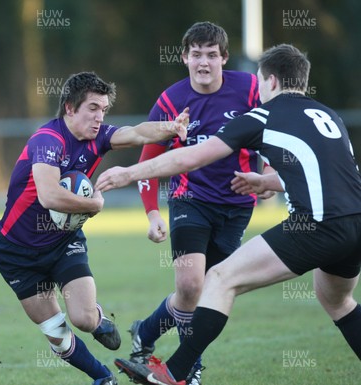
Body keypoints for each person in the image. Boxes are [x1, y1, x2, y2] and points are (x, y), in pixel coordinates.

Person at [96, 43, 361, 384]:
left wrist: (129, 173)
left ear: (272, 82)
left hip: (316, 226)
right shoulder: (328, 116)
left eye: (261, 83)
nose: (259, 90)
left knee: (220, 279)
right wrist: (267, 180)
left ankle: (173, 374)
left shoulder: (263, 116)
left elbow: (190, 157)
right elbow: (328, 175)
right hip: (354, 223)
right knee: (338, 303)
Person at [0, 71, 189, 385]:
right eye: (93, 108)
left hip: (63, 242)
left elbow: (136, 132)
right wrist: (94, 205)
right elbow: (48, 195)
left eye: (103, 110)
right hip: (16, 253)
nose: (99, 117)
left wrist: (171, 128)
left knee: (82, 319)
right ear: (70, 107)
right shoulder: (48, 140)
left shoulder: (98, 137)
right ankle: (102, 377)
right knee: (57, 334)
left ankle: (97, 320)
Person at [121, 21, 272, 385]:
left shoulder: (250, 89)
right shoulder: (171, 101)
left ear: (223, 58)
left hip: (237, 205)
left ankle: (145, 331)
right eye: (196, 55)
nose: (203, 62)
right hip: (189, 200)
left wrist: (267, 172)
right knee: (190, 284)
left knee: (205, 288)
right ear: (185, 57)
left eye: (211, 55)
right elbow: (147, 162)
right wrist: (152, 213)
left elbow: (275, 132)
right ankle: (189, 366)